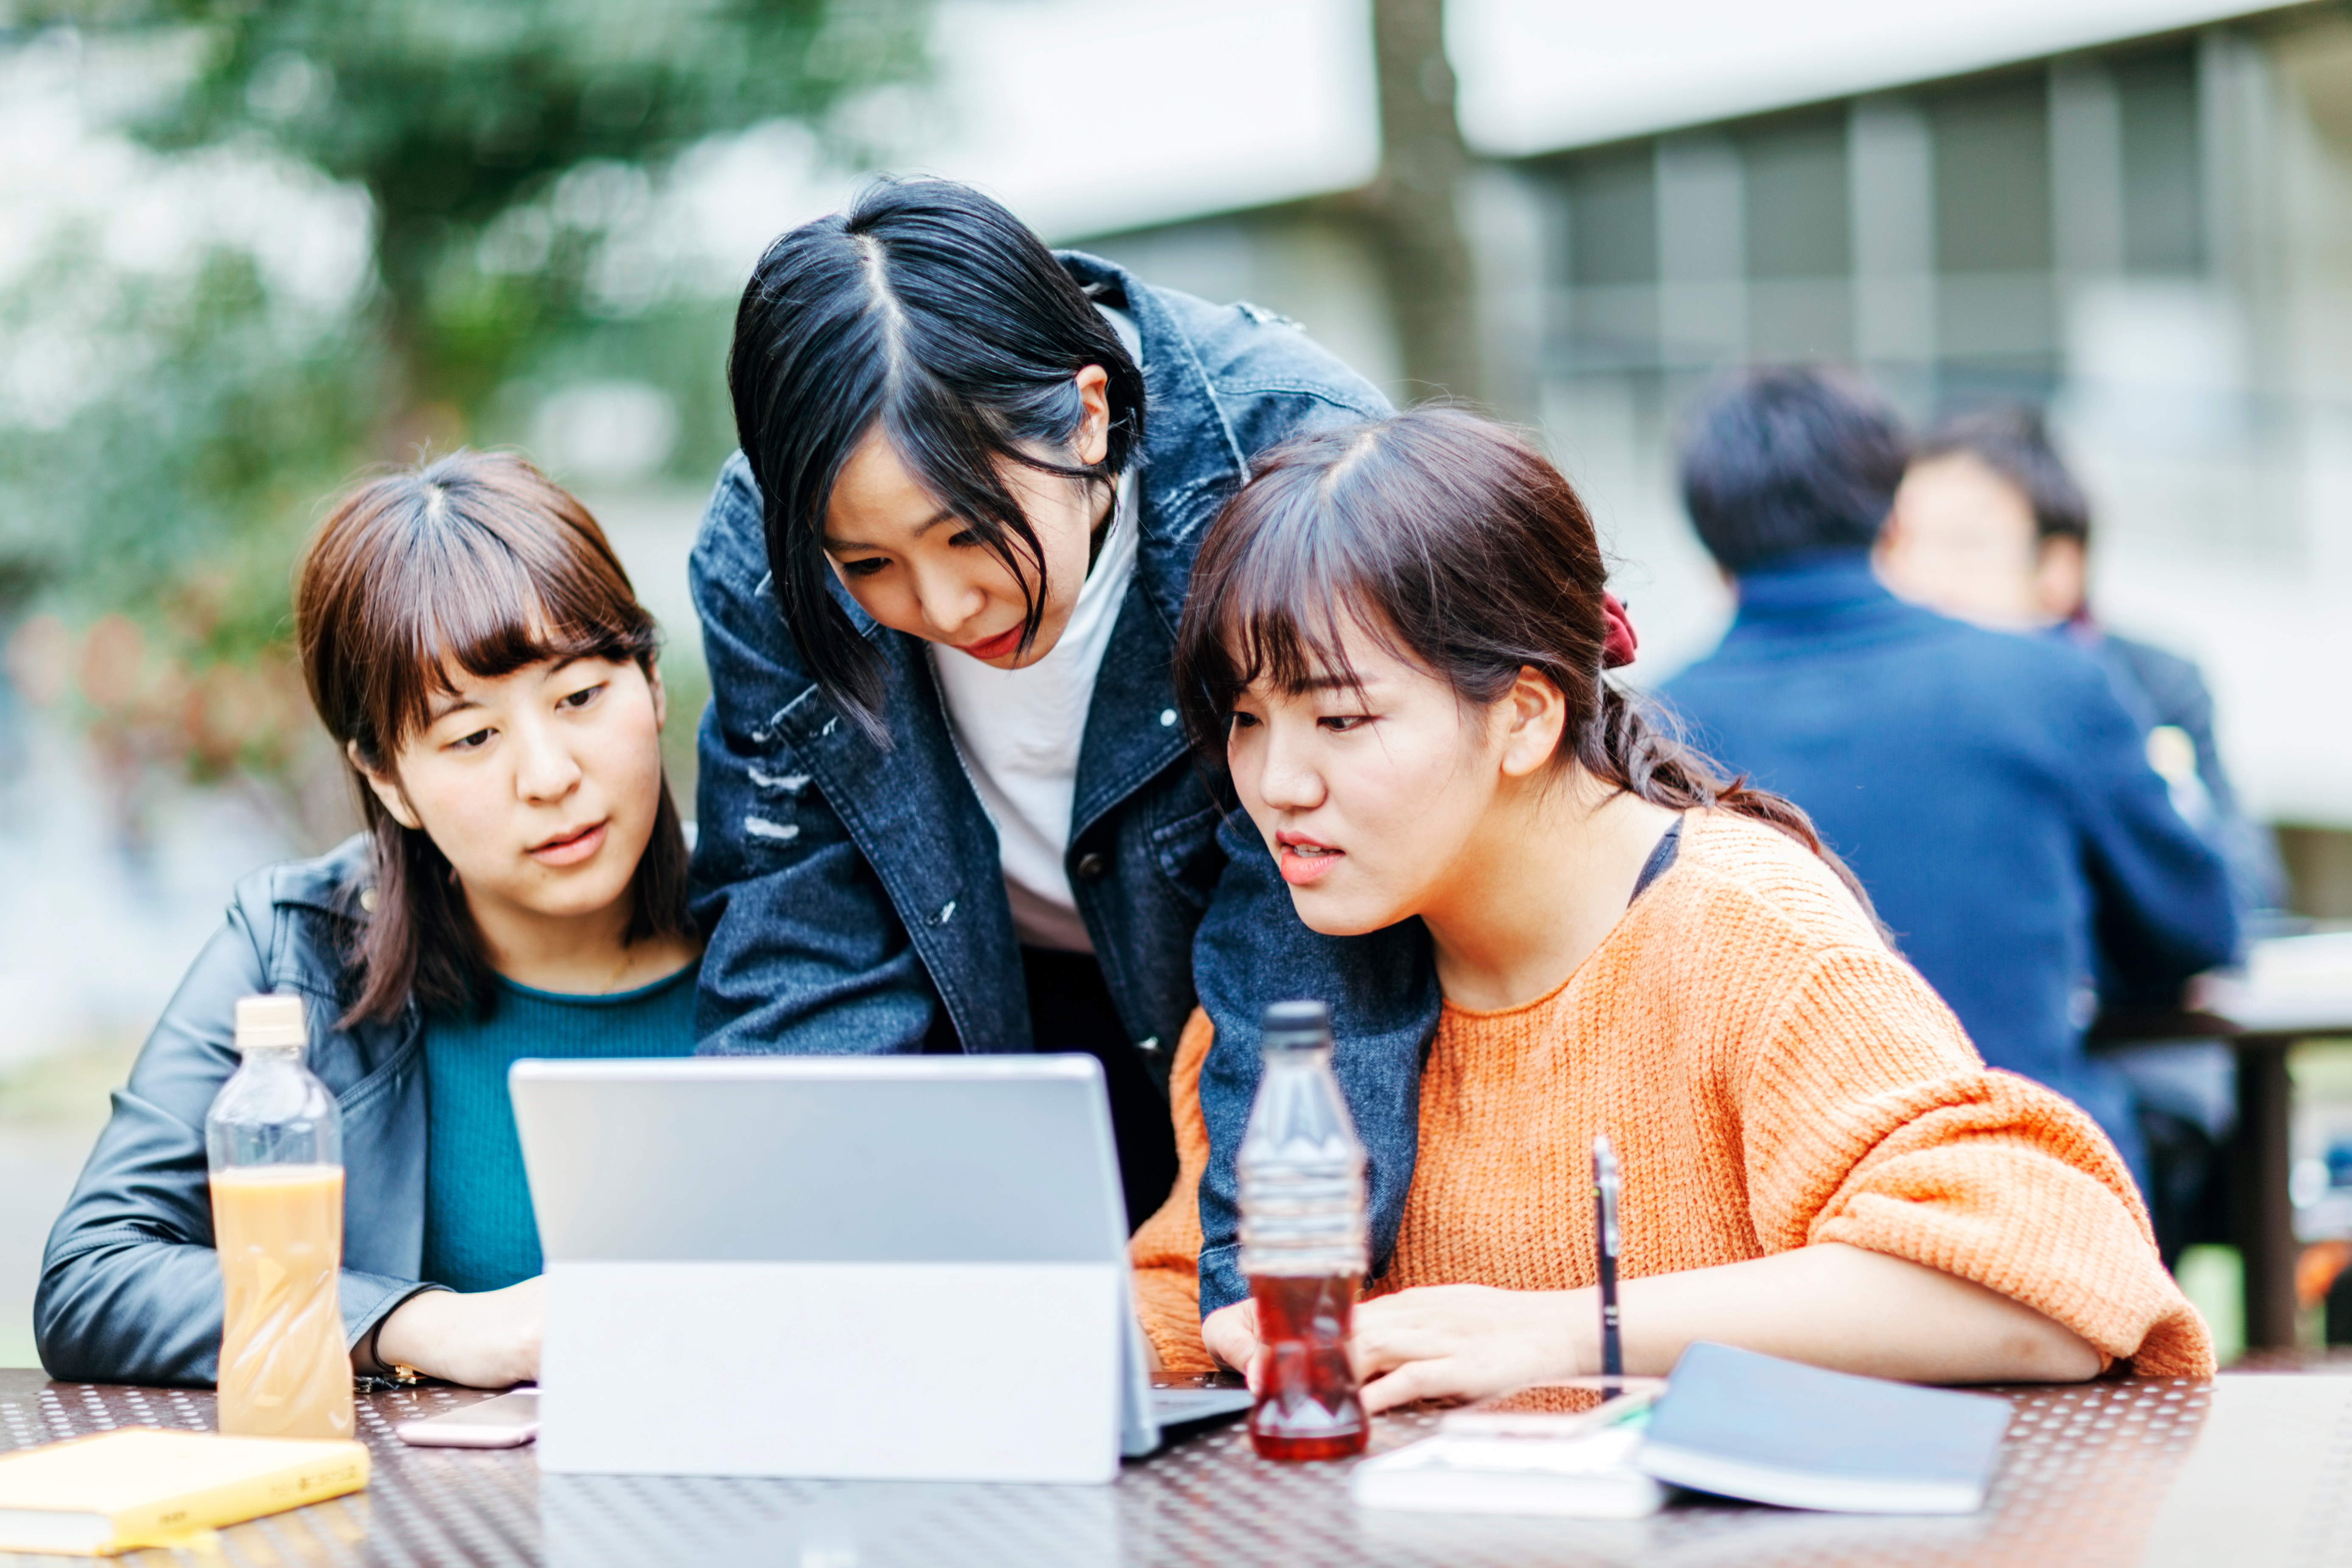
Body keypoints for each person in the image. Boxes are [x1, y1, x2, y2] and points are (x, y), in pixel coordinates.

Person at [1127, 407, 2209, 1400]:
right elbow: (1196, 1298)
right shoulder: (1292, 963)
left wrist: (1565, 1331)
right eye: (1249, 717)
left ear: (1526, 713)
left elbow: (2048, 1283)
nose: (1277, 783)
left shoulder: (1741, 926)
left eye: (1343, 719)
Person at [690, 178, 1436, 1232]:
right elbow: (802, 943)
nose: (943, 605)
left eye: (967, 534)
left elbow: (1310, 964)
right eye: (867, 562)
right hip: (992, 1020)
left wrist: (1260, 1306)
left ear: (1088, 415)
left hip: (1291, 1011)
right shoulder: (763, 544)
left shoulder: (1293, 459)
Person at [37, 451, 699, 1390]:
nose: (550, 774)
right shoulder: (297, 947)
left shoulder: (798, 927)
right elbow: (92, 1277)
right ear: (389, 779)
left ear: (653, 685)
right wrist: (416, 1323)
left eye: (581, 695)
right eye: (473, 736)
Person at [1656, 370, 2239, 1189]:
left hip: (1772, 1214)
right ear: (1894, 525)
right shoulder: (2050, 683)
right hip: (2037, 1188)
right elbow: (2194, 930)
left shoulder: (1649, 732)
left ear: (1708, 551)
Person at [1878, 404, 2284, 1262]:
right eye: (1911, 541)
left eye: (1968, 543)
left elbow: (2230, 895)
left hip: (2132, 1063)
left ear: (2059, 568)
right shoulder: (1889, 694)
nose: (1928, 576)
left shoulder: (2143, 681)